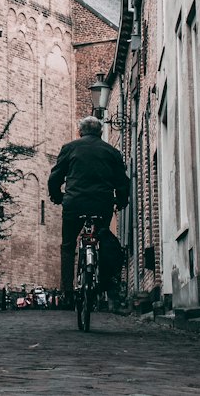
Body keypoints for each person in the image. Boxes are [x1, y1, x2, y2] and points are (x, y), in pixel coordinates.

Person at [48, 115, 130, 305]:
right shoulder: (112, 152)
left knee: (68, 245)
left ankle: (67, 292)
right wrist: (121, 200)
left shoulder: (69, 148)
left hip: (74, 203)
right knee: (103, 237)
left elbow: (55, 178)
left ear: (80, 131)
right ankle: (106, 281)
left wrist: (57, 196)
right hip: (102, 203)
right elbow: (122, 181)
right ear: (101, 132)